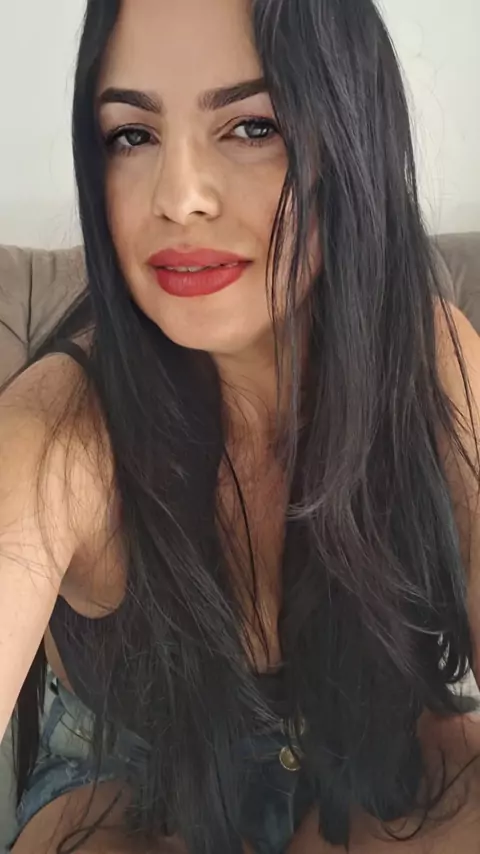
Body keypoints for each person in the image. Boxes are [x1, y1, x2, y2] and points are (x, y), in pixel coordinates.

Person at [1, 0, 480, 851]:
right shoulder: (56, 431)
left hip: (371, 741)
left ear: (351, 135)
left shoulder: (433, 360)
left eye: (253, 126)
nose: (178, 197)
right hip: (129, 778)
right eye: (132, 135)